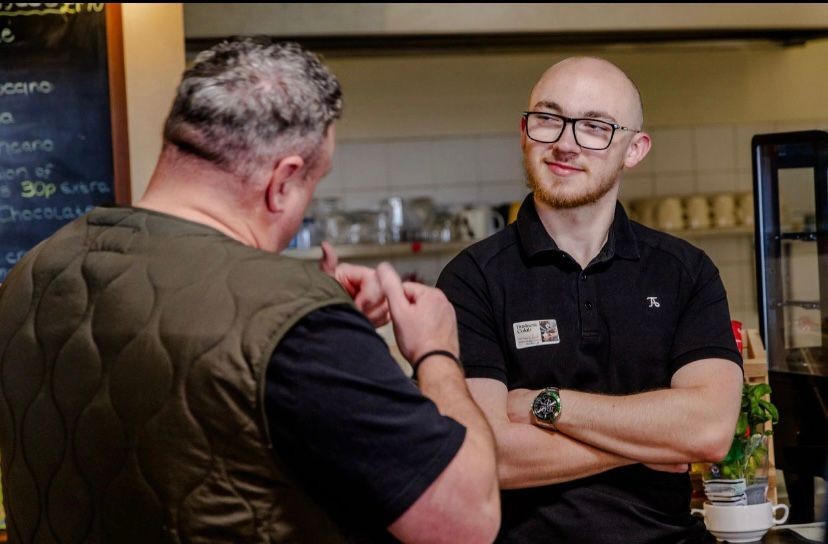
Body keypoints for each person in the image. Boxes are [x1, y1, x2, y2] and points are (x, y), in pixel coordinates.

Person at [0, 37, 499, 543]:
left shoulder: (36, 268)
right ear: (283, 181)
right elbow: (464, 520)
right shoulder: (295, 321)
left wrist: (316, 314)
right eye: (314, 183)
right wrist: (436, 351)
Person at [436, 56, 744, 543]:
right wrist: (653, 441)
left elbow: (708, 432)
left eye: (595, 126)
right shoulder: (472, 278)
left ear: (634, 149)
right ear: (524, 130)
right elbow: (485, 455)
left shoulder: (684, 271)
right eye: (548, 118)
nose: (564, 143)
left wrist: (545, 404)